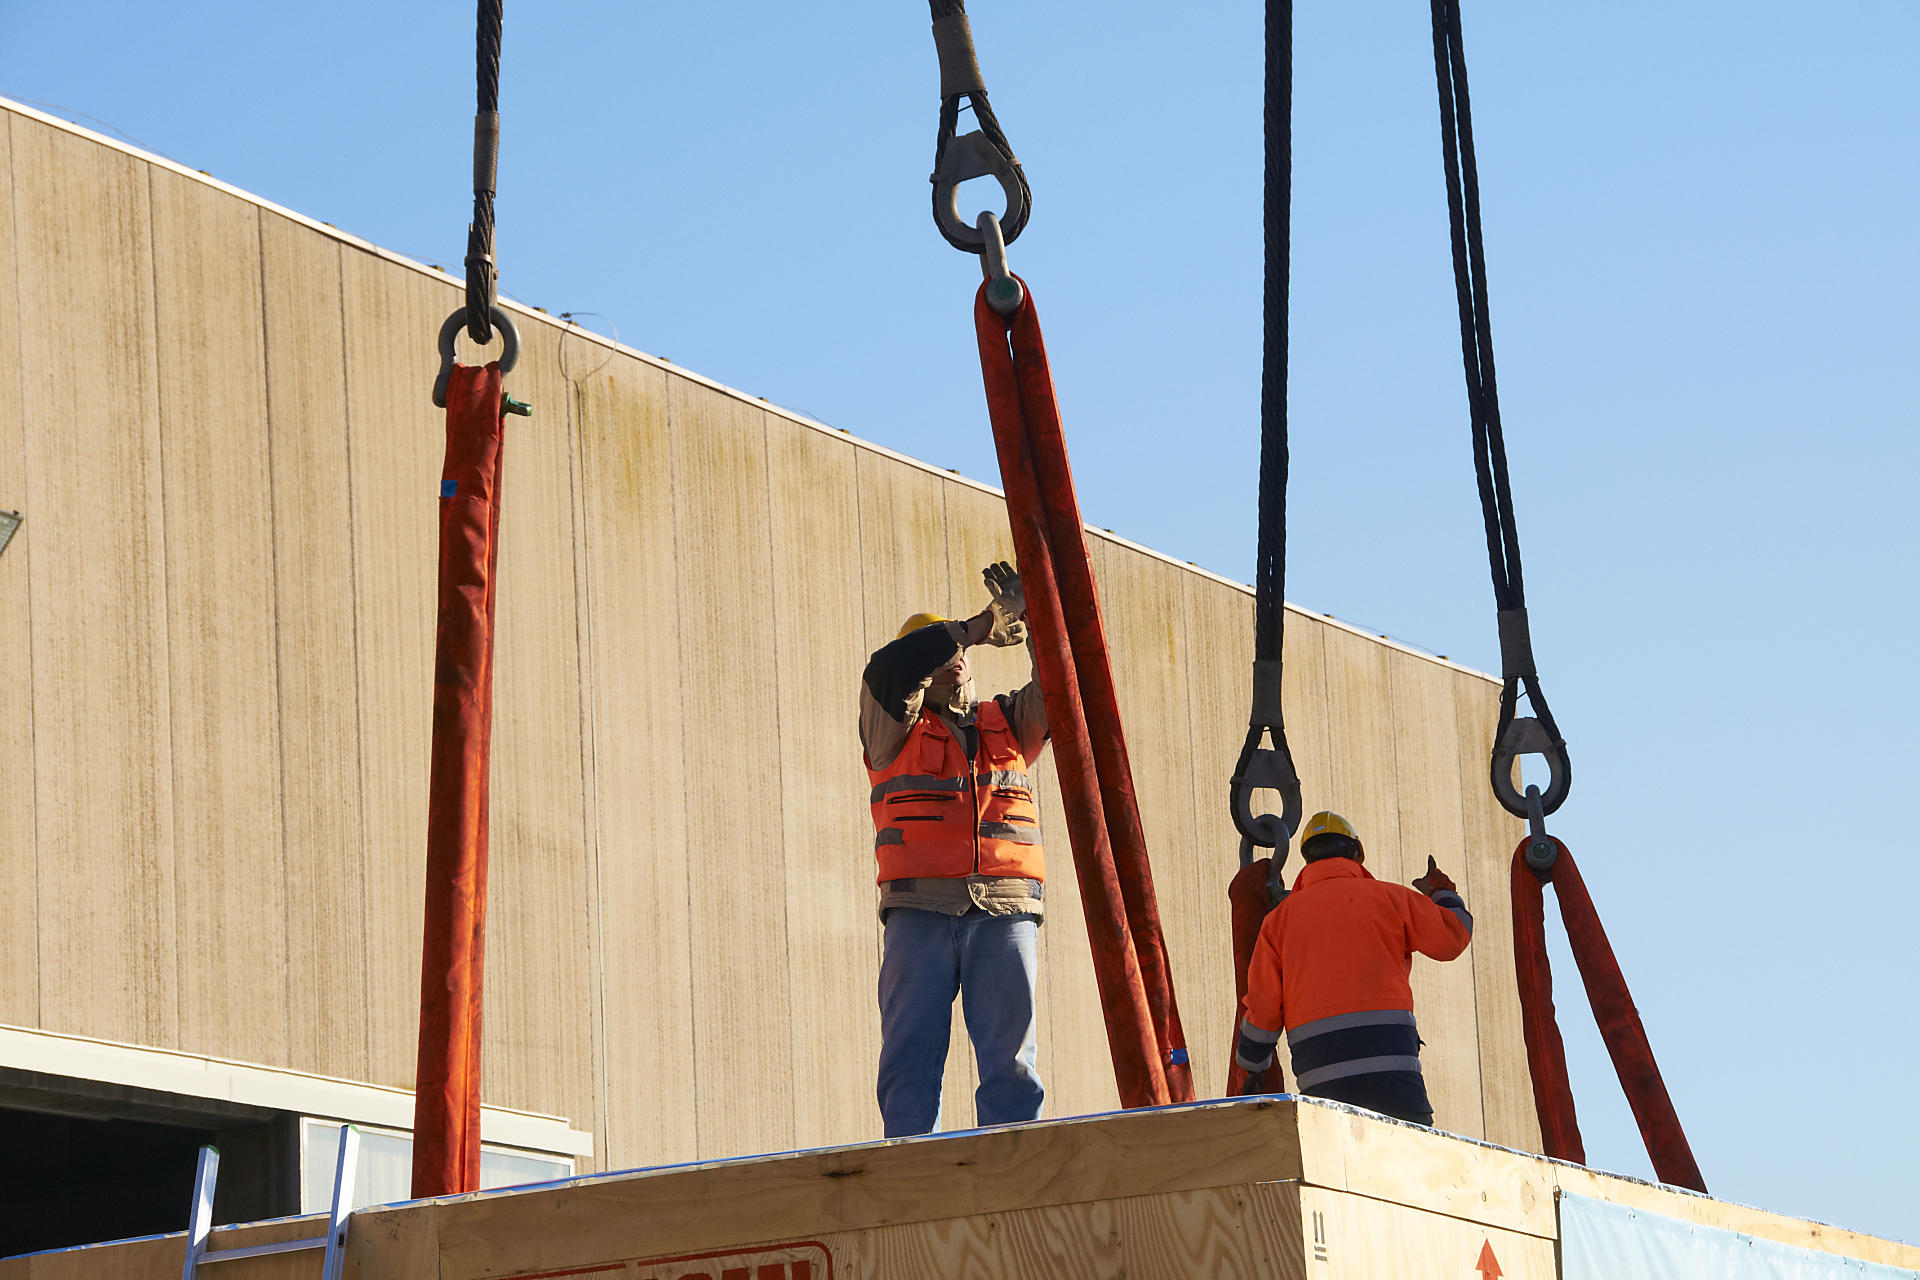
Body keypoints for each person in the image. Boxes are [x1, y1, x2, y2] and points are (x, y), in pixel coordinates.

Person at [859, 561, 1048, 1137]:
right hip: (921, 912)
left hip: (1004, 908)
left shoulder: (1007, 721)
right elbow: (888, 669)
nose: (955, 655)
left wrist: (1034, 616)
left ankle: (1013, 1176)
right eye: (939, 647)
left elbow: (1065, 683)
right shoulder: (892, 730)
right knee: (910, 1062)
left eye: (959, 647)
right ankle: (912, 1178)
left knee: (1012, 1065)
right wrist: (972, 625)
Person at [1234, 811, 1473, 1127]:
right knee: (1408, 1158)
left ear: (1307, 860)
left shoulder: (1279, 921)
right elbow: (1453, 936)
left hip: (1322, 1079)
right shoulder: (1391, 899)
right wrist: (1443, 893)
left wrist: (1252, 1066)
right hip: (1393, 1077)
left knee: (1336, 1165)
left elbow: (1264, 1008)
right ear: (1358, 853)